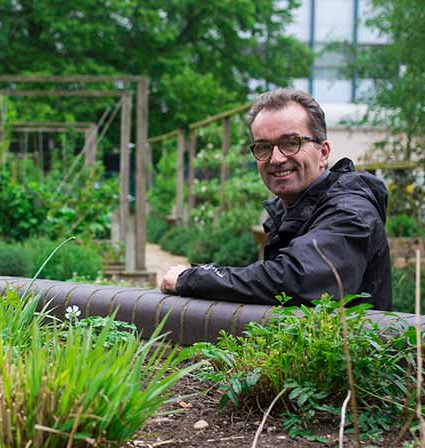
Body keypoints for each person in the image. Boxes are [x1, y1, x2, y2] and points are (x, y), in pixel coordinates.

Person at [159, 89, 392, 309]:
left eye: (291, 143)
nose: (276, 158)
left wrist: (193, 278)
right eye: (264, 147)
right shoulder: (293, 211)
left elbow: (297, 279)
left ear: (323, 153)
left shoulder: (350, 210)